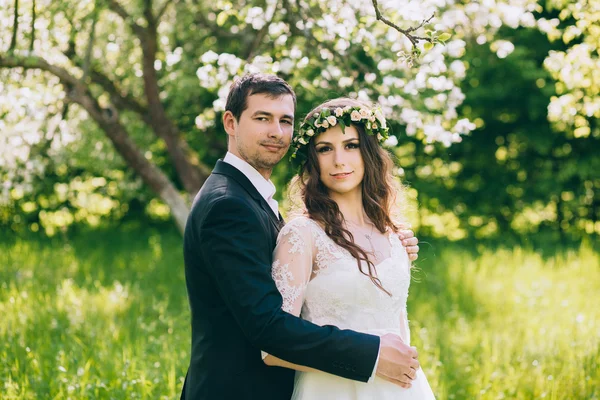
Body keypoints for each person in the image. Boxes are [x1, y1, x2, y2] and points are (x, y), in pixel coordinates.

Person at [181, 74, 421, 400]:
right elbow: (268, 327)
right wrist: (374, 354)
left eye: (285, 121)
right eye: (262, 118)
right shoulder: (228, 205)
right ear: (231, 122)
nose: (276, 132)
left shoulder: (249, 197)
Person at [262, 97, 436, 399]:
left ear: (369, 152)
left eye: (350, 145)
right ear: (312, 160)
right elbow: (273, 347)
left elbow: (398, 327)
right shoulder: (302, 235)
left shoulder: (394, 235)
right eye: (325, 149)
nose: (339, 160)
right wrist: (370, 361)